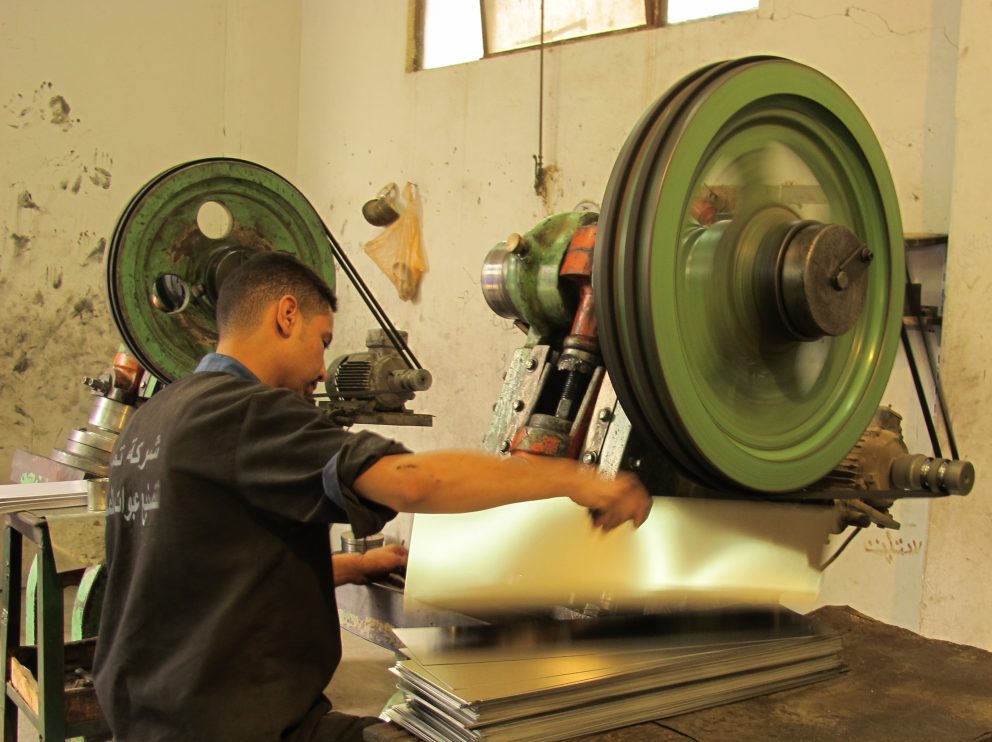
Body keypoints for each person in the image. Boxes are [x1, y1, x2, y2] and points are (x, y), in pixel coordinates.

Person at [92, 251, 652, 741]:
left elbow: (202, 566)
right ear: (286, 315)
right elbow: (413, 482)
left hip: (148, 720)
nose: (321, 370)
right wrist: (577, 481)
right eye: (323, 341)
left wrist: (353, 566)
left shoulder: (152, 420)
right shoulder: (244, 413)